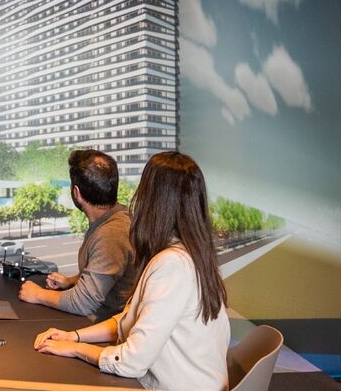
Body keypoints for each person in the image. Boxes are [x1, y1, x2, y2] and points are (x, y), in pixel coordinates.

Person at [32, 151, 231, 391]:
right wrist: (73, 336)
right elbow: (131, 319)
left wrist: (76, 349)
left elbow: (130, 362)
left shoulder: (173, 265)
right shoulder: (192, 255)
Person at [18, 149, 138, 322]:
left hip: (104, 330)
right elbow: (112, 273)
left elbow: (83, 303)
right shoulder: (116, 216)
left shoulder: (111, 234)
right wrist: (73, 281)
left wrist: (38, 294)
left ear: (77, 193)